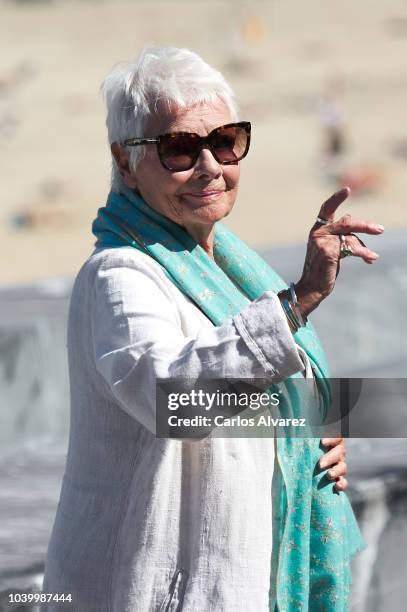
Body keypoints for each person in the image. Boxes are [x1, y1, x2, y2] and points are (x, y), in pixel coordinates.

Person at [41, 46, 384, 611]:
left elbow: (241, 402)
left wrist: (307, 437)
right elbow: (173, 400)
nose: (209, 165)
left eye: (224, 141)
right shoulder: (120, 275)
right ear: (125, 161)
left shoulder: (225, 267)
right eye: (178, 148)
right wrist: (297, 303)